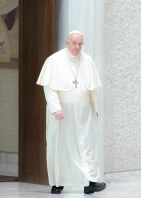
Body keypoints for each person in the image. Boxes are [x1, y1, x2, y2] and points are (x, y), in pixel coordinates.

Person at [36, 30, 106, 194]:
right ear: (67, 42)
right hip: (63, 113)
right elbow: (49, 88)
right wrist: (56, 109)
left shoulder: (87, 60)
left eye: (80, 44)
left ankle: (90, 182)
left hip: (84, 112)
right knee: (60, 147)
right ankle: (57, 183)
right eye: (74, 43)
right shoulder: (54, 60)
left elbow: (92, 89)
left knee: (86, 146)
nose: (77, 47)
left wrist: (95, 109)